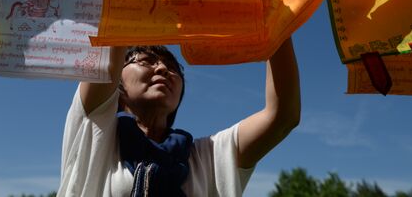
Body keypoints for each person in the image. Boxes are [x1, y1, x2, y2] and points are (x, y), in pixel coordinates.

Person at [57, 38, 300, 196]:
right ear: (117, 82)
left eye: (172, 67)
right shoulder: (94, 134)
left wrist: (275, 17)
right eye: (146, 61)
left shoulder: (207, 156)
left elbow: (282, 116)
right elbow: (111, 41)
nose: (162, 69)